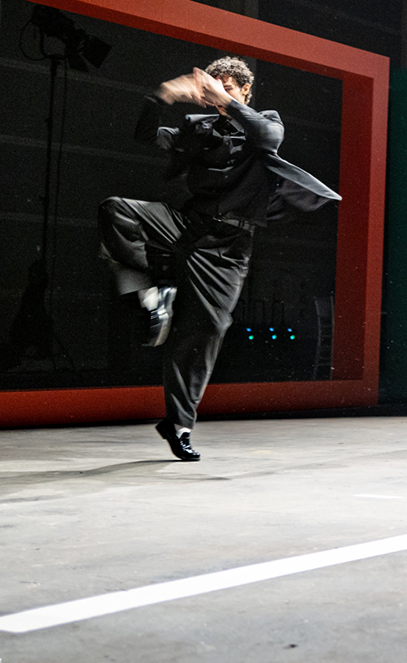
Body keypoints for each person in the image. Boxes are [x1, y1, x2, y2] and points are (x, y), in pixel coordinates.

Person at [99, 58, 339, 462]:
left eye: (228, 87)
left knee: (205, 330)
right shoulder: (198, 127)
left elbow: (268, 137)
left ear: (245, 91)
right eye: (213, 87)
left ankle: (178, 425)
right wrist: (163, 94)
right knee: (115, 210)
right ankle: (153, 292)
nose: (216, 93)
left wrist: (227, 102)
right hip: (188, 225)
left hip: (229, 246)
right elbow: (146, 134)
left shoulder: (264, 122)